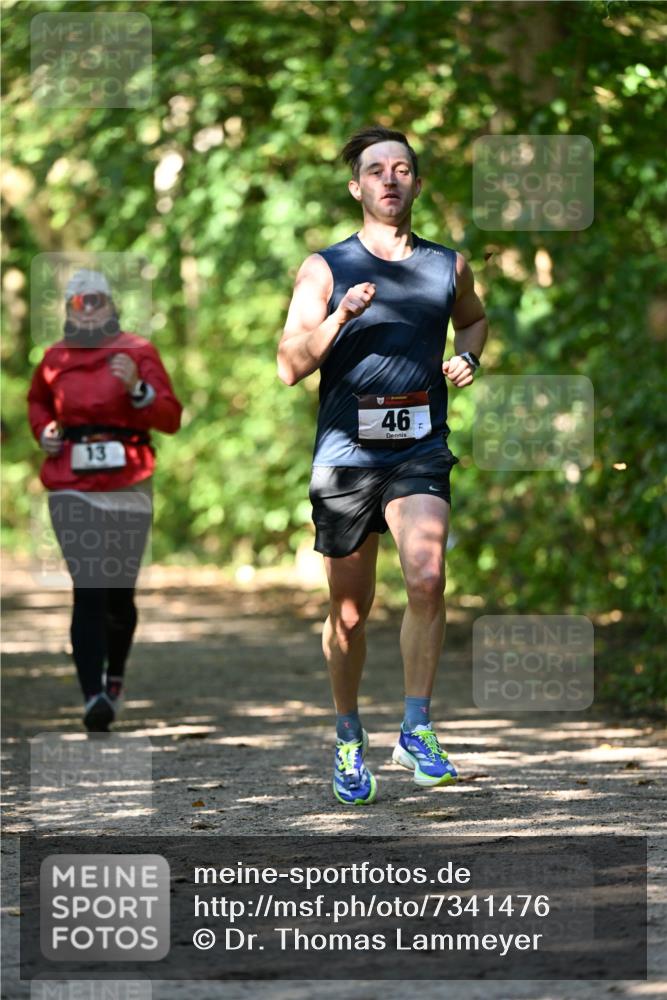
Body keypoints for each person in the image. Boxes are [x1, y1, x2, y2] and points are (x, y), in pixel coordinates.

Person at [277, 126, 487, 804]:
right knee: (349, 612)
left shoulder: (447, 265)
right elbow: (288, 364)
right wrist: (338, 316)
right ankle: (346, 736)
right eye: (375, 170)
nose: (389, 179)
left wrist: (469, 356)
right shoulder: (324, 267)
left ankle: (416, 727)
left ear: (417, 185)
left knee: (426, 577)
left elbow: (474, 321)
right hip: (345, 457)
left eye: (401, 169)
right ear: (356, 186)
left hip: (418, 447)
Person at [28, 269, 182, 732]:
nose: (90, 307)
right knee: (89, 586)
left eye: (98, 300)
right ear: (70, 310)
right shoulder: (54, 358)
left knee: (119, 594)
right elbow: (37, 403)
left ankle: (114, 678)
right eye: (80, 302)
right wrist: (45, 431)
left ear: (112, 306)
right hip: (71, 482)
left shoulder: (139, 351)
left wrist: (139, 387)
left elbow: (170, 417)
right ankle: (92, 695)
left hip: (128, 481)